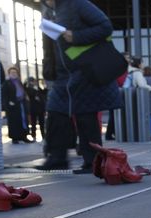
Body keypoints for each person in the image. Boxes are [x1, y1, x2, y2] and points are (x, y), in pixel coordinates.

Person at [36, 0, 122, 172]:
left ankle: (93, 162)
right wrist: (48, 70)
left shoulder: (77, 4)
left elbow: (105, 26)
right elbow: (49, 47)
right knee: (55, 112)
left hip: (84, 69)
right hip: (62, 75)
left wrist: (76, 36)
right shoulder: (48, 13)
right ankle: (57, 158)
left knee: (85, 114)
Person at [2, 66, 31, 144]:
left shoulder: (19, 82)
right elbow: (4, 96)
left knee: (23, 121)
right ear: (9, 74)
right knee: (14, 122)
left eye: (15, 72)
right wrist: (8, 103)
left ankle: (24, 136)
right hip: (13, 106)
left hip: (21, 104)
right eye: (12, 72)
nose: (14, 74)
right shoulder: (6, 83)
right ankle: (15, 138)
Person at [24, 77, 47, 142]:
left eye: (34, 81)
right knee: (33, 123)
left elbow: (44, 93)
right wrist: (26, 81)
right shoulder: (28, 89)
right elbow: (25, 88)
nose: (33, 83)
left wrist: (44, 85)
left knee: (41, 123)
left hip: (40, 108)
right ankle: (33, 135)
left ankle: (43, 135)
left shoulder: (38, 88)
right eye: (32, 81)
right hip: (33, 108)